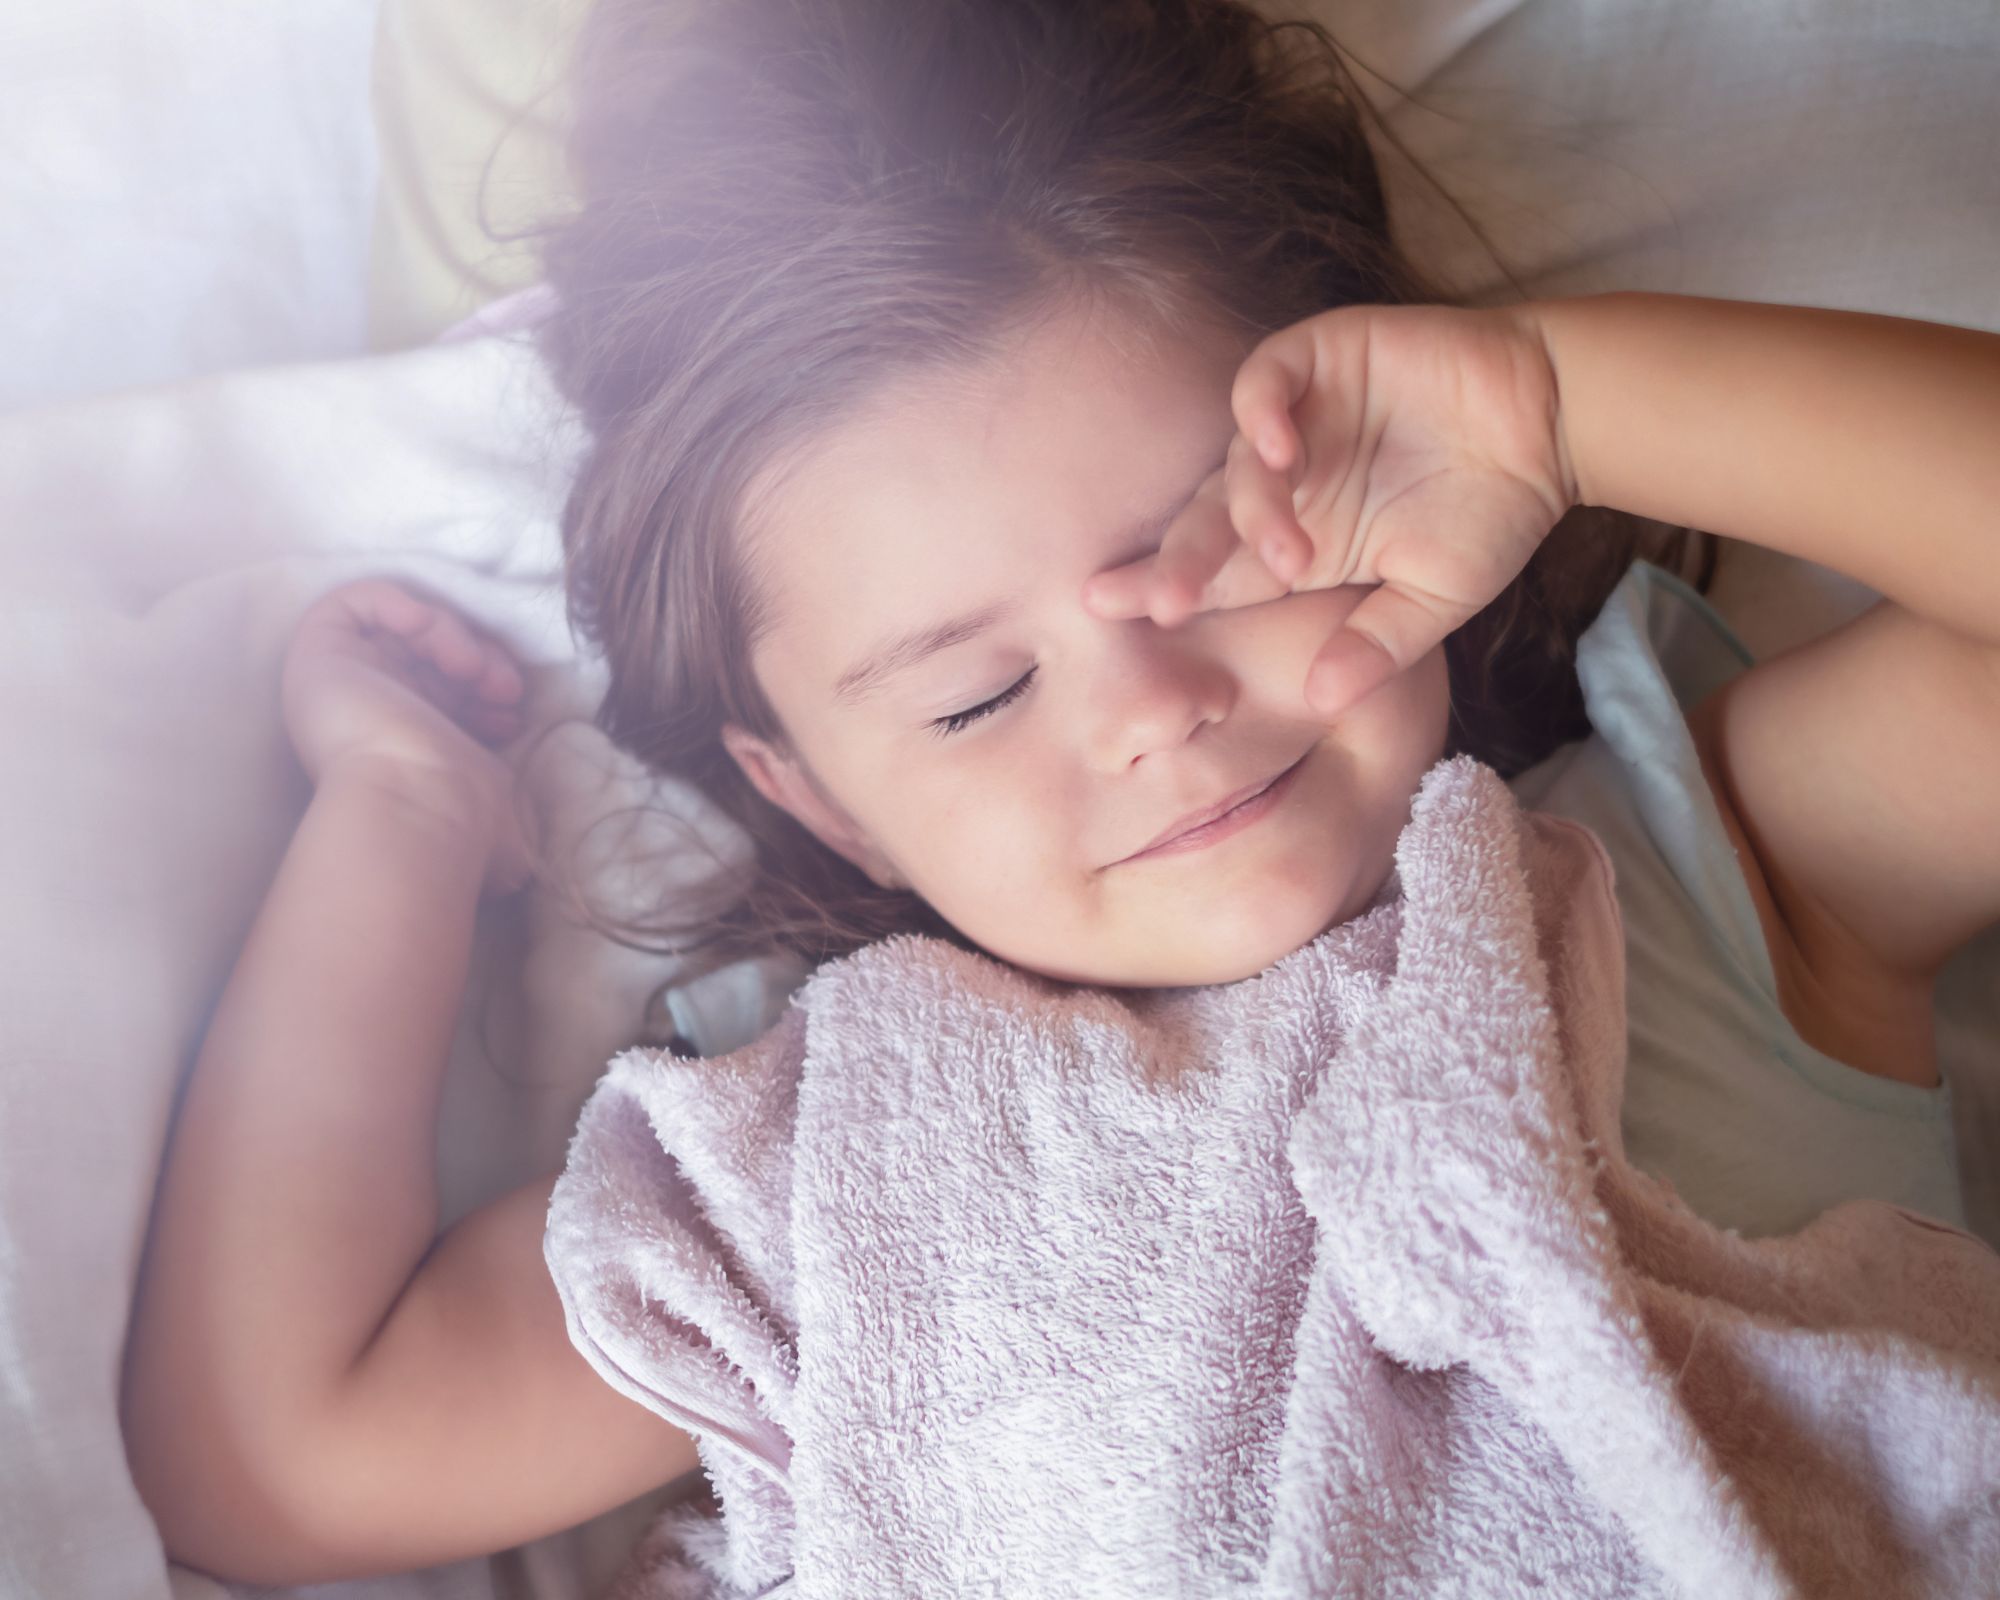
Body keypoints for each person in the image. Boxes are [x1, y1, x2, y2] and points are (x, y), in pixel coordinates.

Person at [120, 0, 2000, 1584]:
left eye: (1223, 562)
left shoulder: (1687, 884)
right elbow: (276, 1450)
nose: (1152, 711)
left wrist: (1557, 410)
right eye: (976, 697)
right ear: (825, 801)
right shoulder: (821, 1182)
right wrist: (400, 814)